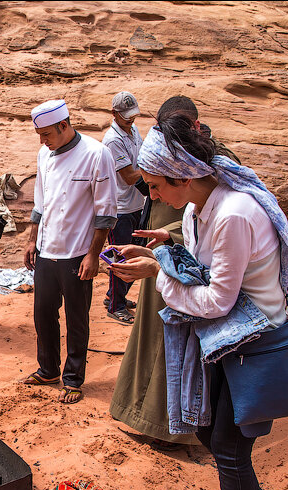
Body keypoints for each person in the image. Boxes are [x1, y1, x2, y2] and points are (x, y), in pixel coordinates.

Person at [109, 112, 288, 490]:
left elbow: (217, 297)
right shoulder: (201, 207)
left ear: (183, 176)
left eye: (156, 186)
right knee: (208, 431)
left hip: (249, 344)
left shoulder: (233, 214)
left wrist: (158, 272)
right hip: (224, 339)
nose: (153, 195)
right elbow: (198, 262)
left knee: (229, 444)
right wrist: (159, 251)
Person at [109, 95, 241, 447]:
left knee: (180, 348)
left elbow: (213, 238)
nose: (154, 193)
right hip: (166, 261)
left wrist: (168, 256)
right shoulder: (166, 164)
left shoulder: (216, 176)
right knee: (154, 339)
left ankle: (173, 430)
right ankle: (147, 418)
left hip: (187, 276)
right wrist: (165, 241)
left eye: (157, 186)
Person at [21, 99, 118, 404]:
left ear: (64, 125)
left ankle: (73, 378)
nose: (42, 140)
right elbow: (41, 201)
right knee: (43, 314)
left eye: (46, 133)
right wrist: (31, 239)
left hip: (78, 252)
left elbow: (105, 212)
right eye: (39, 134)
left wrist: (93, 256)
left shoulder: (96, 154)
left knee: (77, 319)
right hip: (47, 250)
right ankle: (48, 368)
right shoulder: (44, 154)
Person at [101, 91, 147, 324]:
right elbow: (129, 176)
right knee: (121, 257)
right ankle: (116, 305)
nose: (130, 119)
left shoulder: (133, 130)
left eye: (133, 115)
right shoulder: (113, 140)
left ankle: (114, 296)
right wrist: (152, 170)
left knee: (135, 252)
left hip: (136, 204)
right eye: (125, 116)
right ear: (114, 114)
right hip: (120, 208)